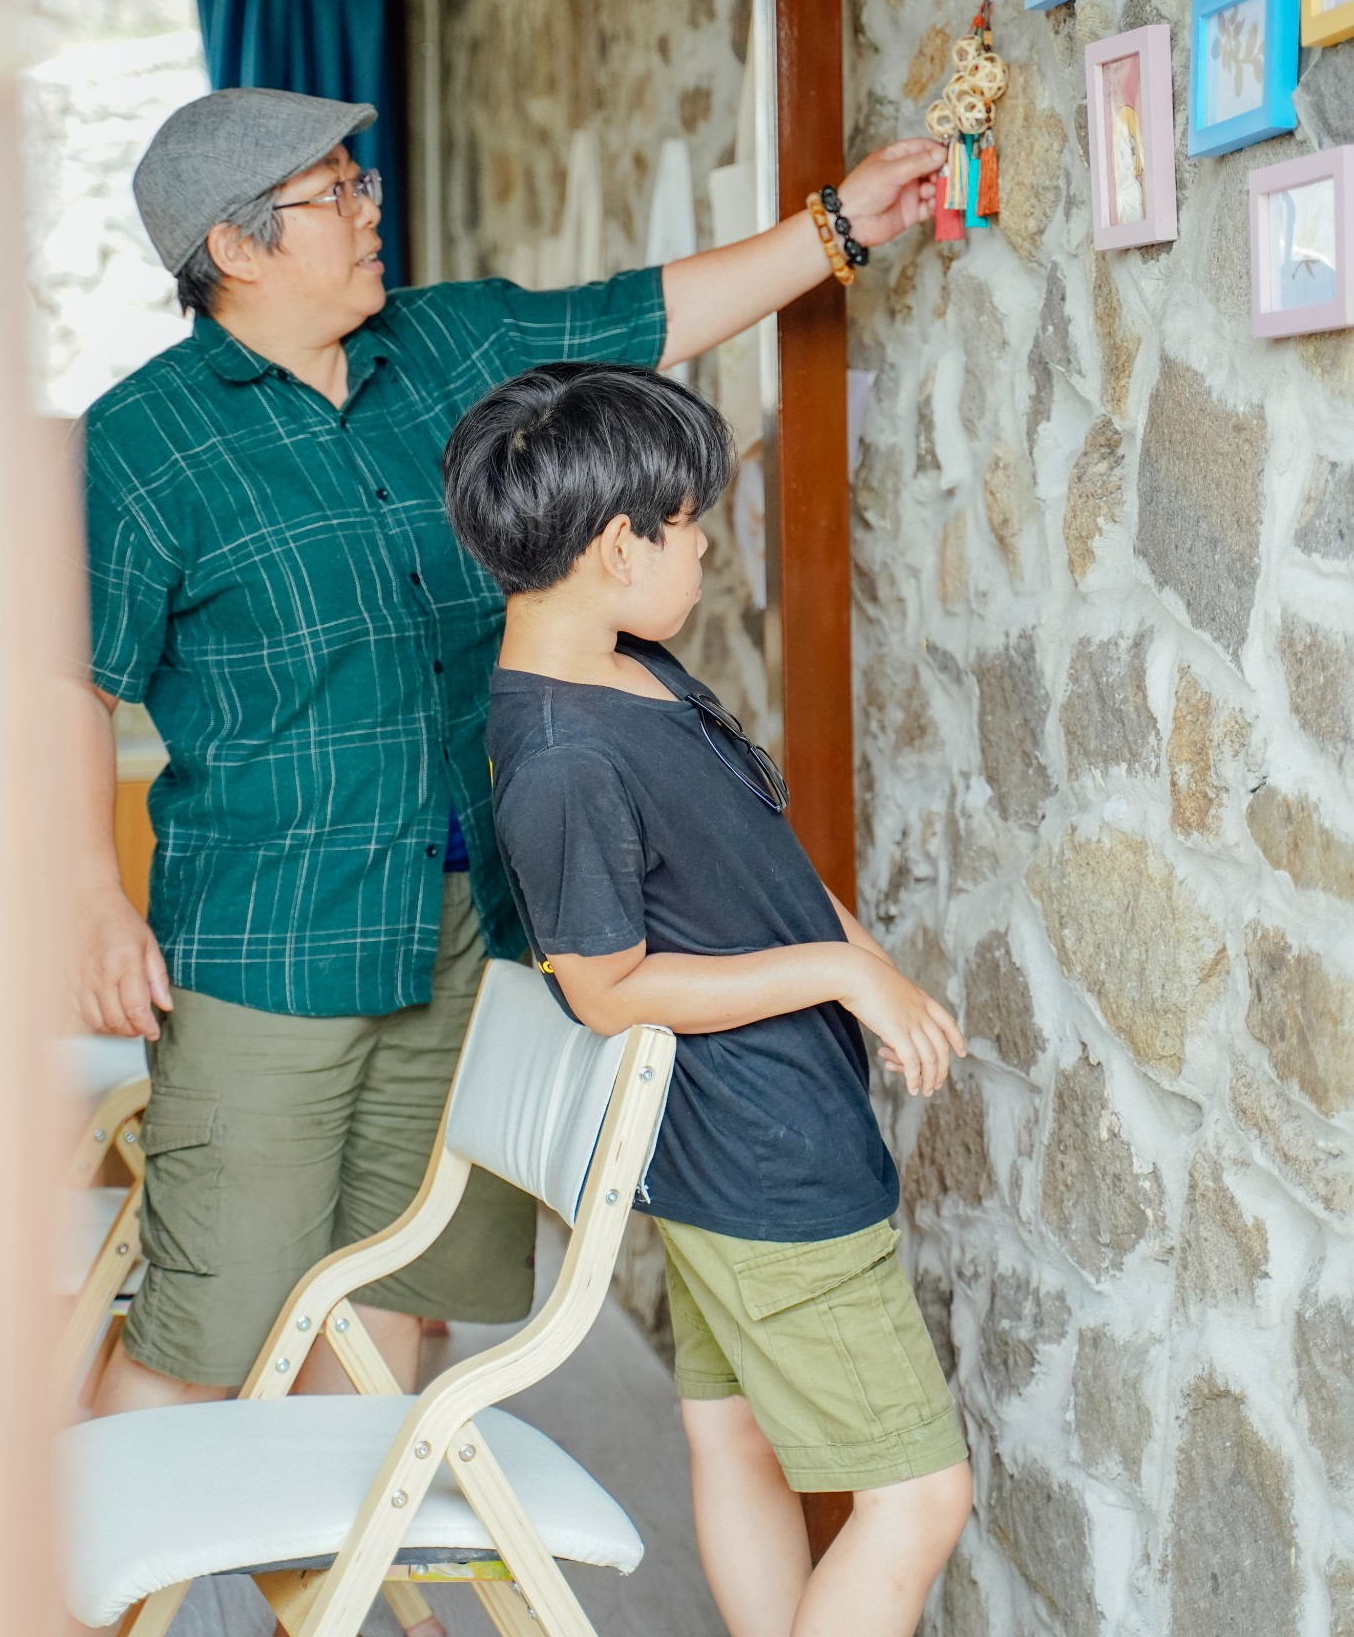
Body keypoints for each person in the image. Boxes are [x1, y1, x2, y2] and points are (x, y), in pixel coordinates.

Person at [74, 85, 946, 1463]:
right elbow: (70, 678)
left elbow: (642, 314)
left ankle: (332, 1583)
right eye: (338, 194)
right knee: (212, 1324)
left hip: (484, 928)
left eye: (362, 181)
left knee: (400, 1305)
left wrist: (839, 226)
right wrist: (90, 900)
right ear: (234, 250)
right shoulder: (141, 440)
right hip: (265, 938)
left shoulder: (449, 342)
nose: (372, 211)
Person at [443, 363, 972, 1637]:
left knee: (732, 1432)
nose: (705, 551)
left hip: (728, 1149)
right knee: (918, 1496)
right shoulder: (562, 756)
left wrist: (855, 944)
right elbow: (608, 988)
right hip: (765, 1161)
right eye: (690, 526)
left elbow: (752, 861)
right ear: (618, 546)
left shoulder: (629, 666)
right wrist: (845, 969)